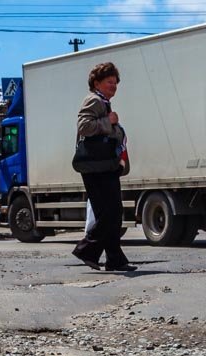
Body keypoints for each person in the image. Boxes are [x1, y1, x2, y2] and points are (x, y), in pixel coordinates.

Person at [72, 62, 133, 271]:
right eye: (109, 82)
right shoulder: (93, 100)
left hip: (104, 166)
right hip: (96, 167)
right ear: (97, 83)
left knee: (112, 213)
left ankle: (115, 258)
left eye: (115, 83)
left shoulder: (104, 102)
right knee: (110, 213)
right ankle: (87, 250)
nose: (114, 86)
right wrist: (109, 121)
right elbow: (84, 127)